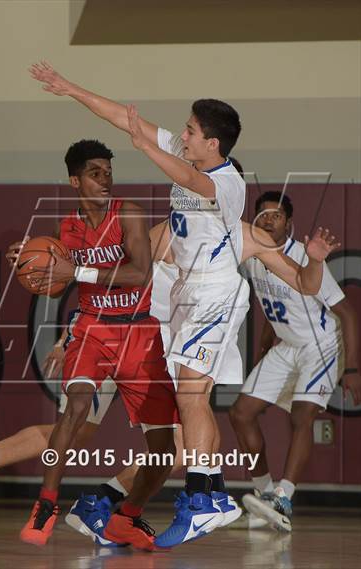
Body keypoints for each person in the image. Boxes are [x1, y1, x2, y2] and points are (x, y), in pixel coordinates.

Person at [26, 62, 341, 547]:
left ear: (212, 143)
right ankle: (202, 490)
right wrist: (70, 89)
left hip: (216, 293)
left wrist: (145, 147)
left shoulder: (228, 184)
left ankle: (201, 499)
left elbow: (302, 279)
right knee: (192, 404)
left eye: (190, 130)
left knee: (193, 394)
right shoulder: (185, 179)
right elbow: (123, 118)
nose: (183, 134)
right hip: (185, 298)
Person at [229, 191, 361, 532]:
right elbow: (269, 302)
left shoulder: (303, 257)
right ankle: (264, 494)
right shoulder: (253, 256)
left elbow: (347, 313)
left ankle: (284, 497)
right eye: (262, 214)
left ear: (289, 222)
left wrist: (352, 368)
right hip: (286, 345)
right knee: (241, 413)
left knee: (302, 414)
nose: (268, 219)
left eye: (276, 215)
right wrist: (263, 341)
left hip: (321, 344)